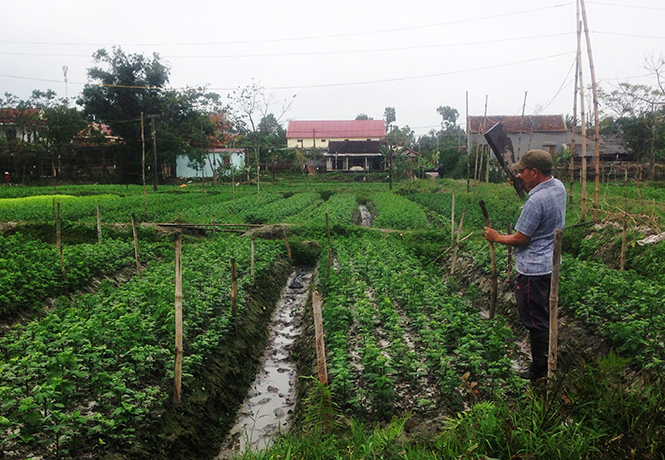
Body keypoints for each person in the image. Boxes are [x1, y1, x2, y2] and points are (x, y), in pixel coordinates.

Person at [483, 149, 566, 380]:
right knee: (544, 314)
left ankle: (539, 368)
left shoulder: (536, 201)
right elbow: (537, 200)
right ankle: (548, 358)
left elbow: (521, 238)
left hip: (532, 270)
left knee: (534, 320)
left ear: (535, 172)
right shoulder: (558, 187)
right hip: (550, 265)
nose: (521, 174)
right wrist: (522, 184)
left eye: (524, 171)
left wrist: (496, 237)